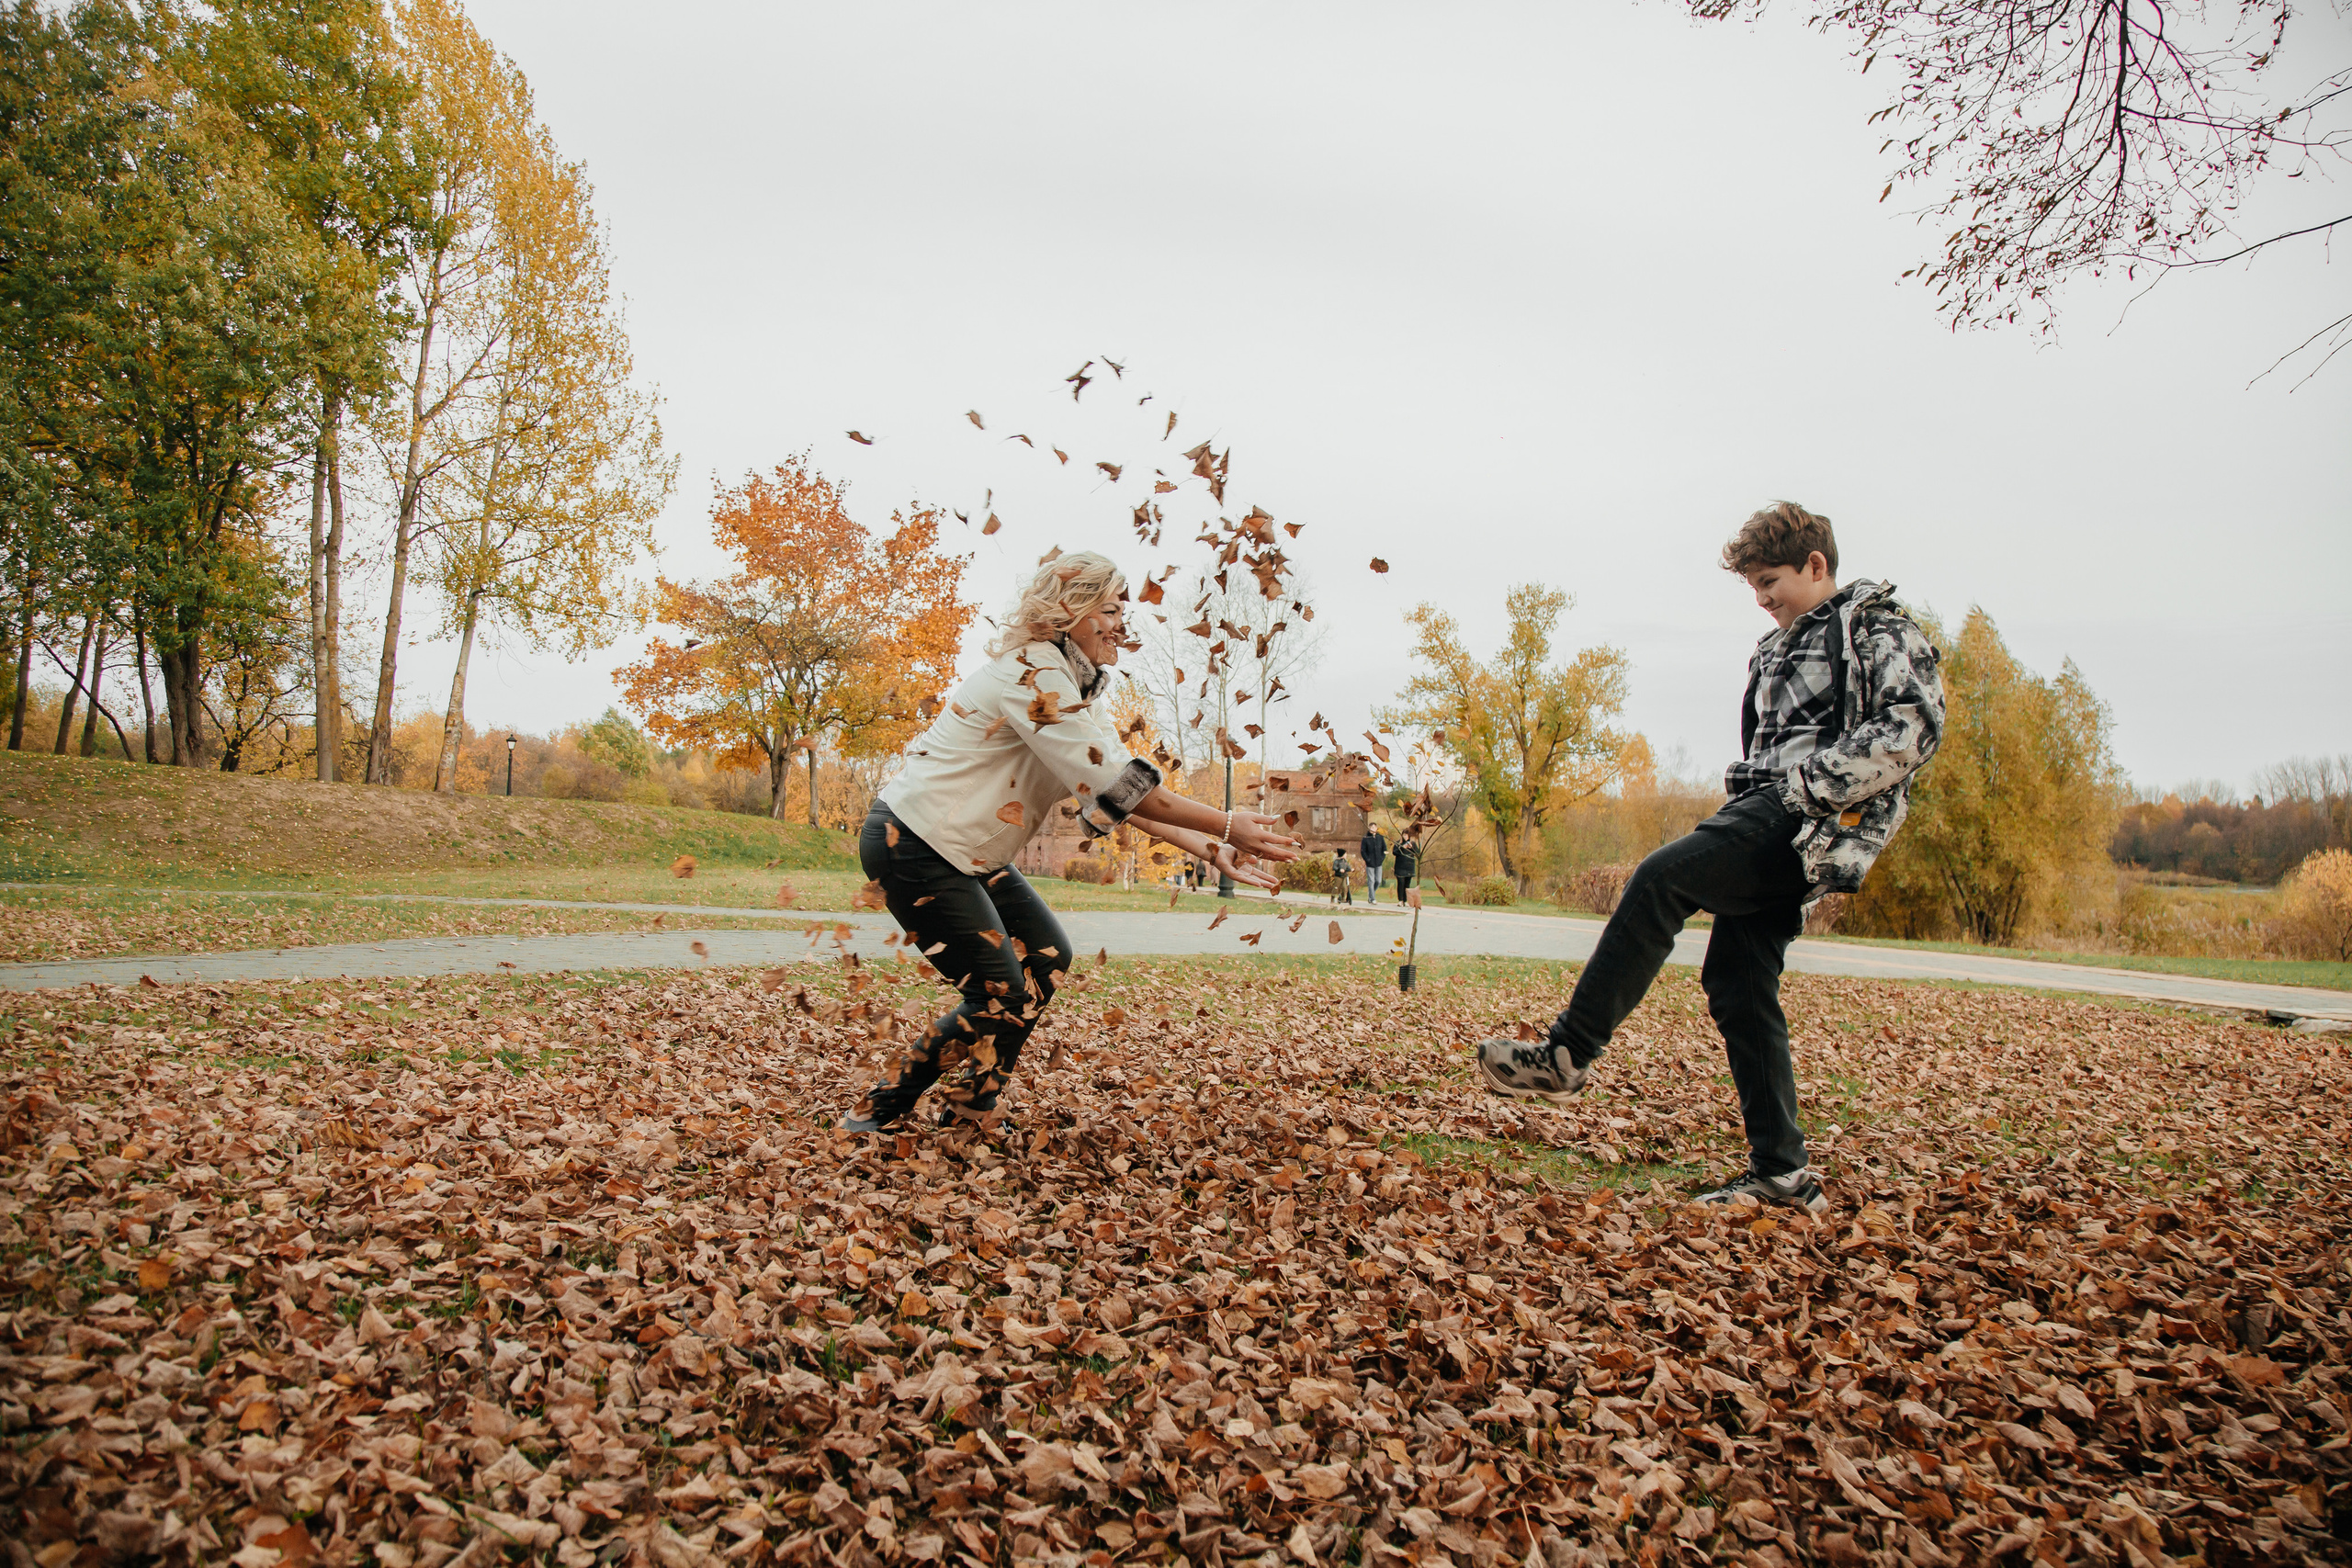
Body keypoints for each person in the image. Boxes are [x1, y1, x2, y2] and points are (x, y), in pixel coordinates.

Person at [1476, 503, 1943, 1213]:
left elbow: (1913, 725)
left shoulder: (1873, 627)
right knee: (1737, 981)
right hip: (1765, 811)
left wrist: (1806, 789)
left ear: (1817, 566)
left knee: (1662, 876)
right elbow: (1763, 746)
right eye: (1754, 586)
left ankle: (1567, 1055)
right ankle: (1783, 1176)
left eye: (1771, 581)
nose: (1762, 598)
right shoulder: (1773, 647)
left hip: (1802, 819)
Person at [843, 552, 1302, 1133]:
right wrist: (1227, 825)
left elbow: (1118, 793)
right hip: (912, 841)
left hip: (968, 851)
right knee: (999, 992)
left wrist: (1212, 850)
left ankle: (972, 1108)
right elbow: (1122, 785)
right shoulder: (1033, 676)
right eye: (1109, 610)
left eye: (1123, 611)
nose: (1121, 625)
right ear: (1069, 612)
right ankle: (880, 1106)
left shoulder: (1069, 683)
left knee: (1047, 959)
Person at [1360, 824, 1389, 903]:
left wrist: (1382, 858)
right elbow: (1363, 851)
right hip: (1370, 863)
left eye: (1374, 827)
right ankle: (1372, 898)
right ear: (1369, 828)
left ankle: (1371, 893)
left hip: (1378, 863)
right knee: (1371, 881)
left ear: (1376, 828)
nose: (1373, 829)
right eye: (1372, 827)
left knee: (1378, 881)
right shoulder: (1366, 838)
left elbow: (1384, 849)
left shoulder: (1380, 837)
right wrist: (1368, 860)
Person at [1392, 833, 1419, 905]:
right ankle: (1400, 900)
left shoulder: (1412, 843)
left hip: (1409, 867)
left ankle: (1405, 900)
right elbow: (1394, 852)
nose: (1405, 837)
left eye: (1407, 835)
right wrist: (1402, 847)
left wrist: (1412, 848)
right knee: (1401, 883)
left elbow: (1418, 853)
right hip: (1400, 867)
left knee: (1407, 884)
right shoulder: (1398, 843)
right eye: (1404, 835)